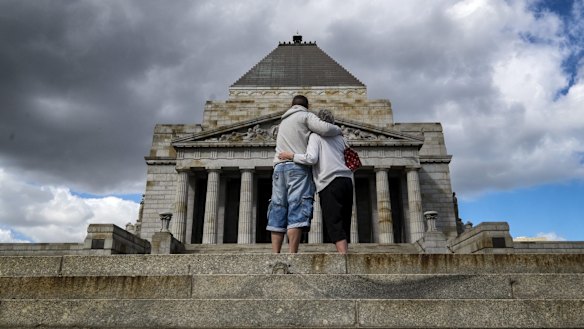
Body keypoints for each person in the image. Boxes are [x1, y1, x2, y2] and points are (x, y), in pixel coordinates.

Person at [267, 95, 342, 253]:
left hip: (279, 168)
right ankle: (292, 255)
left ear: (291, 105)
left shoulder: (282, 122)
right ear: (307, 106)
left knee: (278, 208)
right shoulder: (306, 116)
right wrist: (339, 129)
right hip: (297, 167)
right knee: (297, 207)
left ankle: (275, 255)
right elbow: (326, 129)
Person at [278, 109, 353, 254]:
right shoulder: (341, 137)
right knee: (344, 221)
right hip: (347, 180)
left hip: (329, 181)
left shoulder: (315, 136)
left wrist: (291, 155)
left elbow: (311, 158)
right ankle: (345, 255)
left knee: (334, 221)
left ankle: (344, 259)